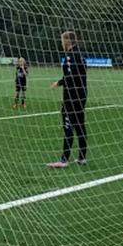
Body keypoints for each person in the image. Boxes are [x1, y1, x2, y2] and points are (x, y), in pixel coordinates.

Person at [48, 31, 87, 168]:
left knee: (68, 125)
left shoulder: (71, 57)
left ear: (67, 41)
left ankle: (64, 160)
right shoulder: (80, 54)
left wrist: (58, 83)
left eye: (62, 40)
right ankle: (82, 157)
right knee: (80, 125)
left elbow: (71, 76)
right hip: (81, 95)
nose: (61, 43)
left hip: (72, 96)